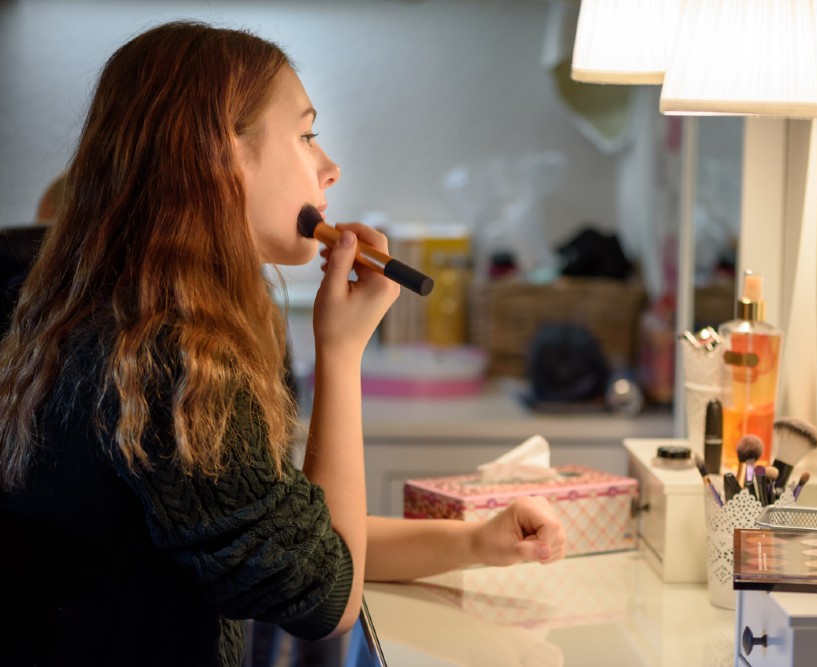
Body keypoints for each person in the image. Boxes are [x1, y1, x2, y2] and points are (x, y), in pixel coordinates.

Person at [0, 21, 565, 666]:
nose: (329, 168)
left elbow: (289, 538)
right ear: (219, 155)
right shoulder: (174, 360)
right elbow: (327, 598)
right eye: (305, 134)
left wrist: (474, 542)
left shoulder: (100, 316)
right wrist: (342, 350)